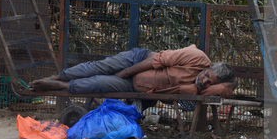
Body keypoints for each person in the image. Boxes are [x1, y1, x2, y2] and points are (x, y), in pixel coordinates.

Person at [29, 45, 237, 97]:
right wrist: (125, 72)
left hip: (135, 85)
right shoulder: (197, 57)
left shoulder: (199, 88)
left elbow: (230, 87)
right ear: (208, 67)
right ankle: (57, 76)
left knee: (98, 83)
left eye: (211, 83)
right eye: (207, 76)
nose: (204, 82)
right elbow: (157, 60)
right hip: (138, 61)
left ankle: (60, 85)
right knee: (101, 67)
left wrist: (221, 86)